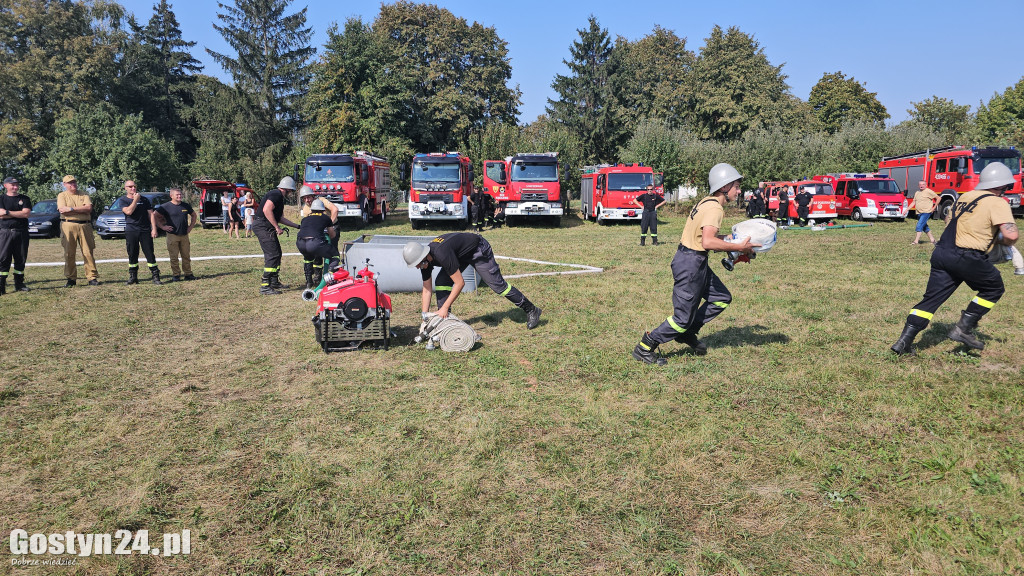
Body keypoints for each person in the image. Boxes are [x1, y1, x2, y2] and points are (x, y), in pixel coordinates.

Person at [632, 163, 758, 365]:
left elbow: (705, 237)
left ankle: (687, 333)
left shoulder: (706, 202)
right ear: (724, 187)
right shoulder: (715, 208)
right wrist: (737, 248)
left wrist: (738, 244)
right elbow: (708, 241)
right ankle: (646, 345)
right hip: (690, 264)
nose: (739, 190)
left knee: (720, 298)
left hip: (693, 259)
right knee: (682, 317)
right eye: (736, 185)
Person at [891, 163, 1019, 355]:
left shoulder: (965, 196)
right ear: (1001, 186)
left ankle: (903, 342)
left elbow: (948, 220)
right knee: (993, 288)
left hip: (942, 252)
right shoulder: (998, 202)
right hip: (967, 256)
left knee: (930, 300)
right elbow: (1011, 236)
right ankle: (963, 329)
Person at [402, 233, 542, 329]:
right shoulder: (423, 260)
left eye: (418, 264)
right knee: (441, 283)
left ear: (424, 256)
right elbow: (426, 289)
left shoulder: (441, 254)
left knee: (498, 286)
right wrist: (424, 317)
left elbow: (460, 283)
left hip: (477, 249)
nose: (418, 267)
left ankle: (532, 309)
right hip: (460, 254)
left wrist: (444, 307)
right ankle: (445, 321)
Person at [253, 176, 300, 295]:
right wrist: (276, 227)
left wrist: (297, 226)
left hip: (265, 226)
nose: (291, 194)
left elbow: (279, 218)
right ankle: (265, 286)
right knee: (272, 254)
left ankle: (274, 282)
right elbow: (266, 210)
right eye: (291, 191)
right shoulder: (276, 194)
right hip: (263, 226)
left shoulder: (278, 197)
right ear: (288, 189)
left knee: (277, 253)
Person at [56, 175, 98, 286]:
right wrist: (81, 210)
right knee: (69, 253)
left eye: (74, 182)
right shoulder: (62, 195)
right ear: (64, 184)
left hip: (85, 226)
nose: (73, 184)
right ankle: (71, 279)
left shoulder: (84, 194)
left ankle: (92, 277)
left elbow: (88, 209)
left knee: (88, 252)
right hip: (68, 225)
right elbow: (62, 211)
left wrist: (71, 209)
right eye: (69, 182)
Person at [296, 186, 340, 289]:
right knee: (327, 255)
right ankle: (322, 277)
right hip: (316, 237)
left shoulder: (321, 200)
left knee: (327, 252)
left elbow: (335, 209)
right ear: (302, 199)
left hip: (326, 229)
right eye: (304, 198)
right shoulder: (306, 208)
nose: (307, 200)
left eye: (309, 197)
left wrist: (329, 225)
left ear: (313, 196)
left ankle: (323, 279)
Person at [120, 180, 162, 285]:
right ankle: (133, 276)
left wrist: (154, 228)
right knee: (132, 253)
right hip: (131, 230)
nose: (133, 188)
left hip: (144, 230)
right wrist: (135, 200)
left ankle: (155, 276)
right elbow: (129, 211)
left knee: (149, 253)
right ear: (125, 188)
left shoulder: (144, 200)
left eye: (134, 186)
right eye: (130, 186)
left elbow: (151, 214)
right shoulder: (123, 200)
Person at [154, 187, 197, 282]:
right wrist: (162, 227)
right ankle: (176, 275)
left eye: (180, 194)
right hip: (172, 235)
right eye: (177, 195)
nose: (179, 196)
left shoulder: (185, 205)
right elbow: (154, 215)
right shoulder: (165, 206)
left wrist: (190, 227)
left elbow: (194, 215)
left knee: (186, 256)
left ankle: (188, 274)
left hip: (184, 235)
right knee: (174, 257)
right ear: (171, 196)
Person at [0, 176, 32, 294]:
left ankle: (19, 284)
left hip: (21, 232)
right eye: (12, 184)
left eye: (16, 184)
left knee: (20, 258)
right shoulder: (1, 198)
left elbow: (26, 214)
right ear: (5, 186)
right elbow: (0, 215)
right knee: (3, 258)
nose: (15, 186)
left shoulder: (24, 198)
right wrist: (18, 213)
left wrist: (7, 212)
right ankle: (1, 285)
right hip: (5, 232)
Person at [912, 180, 938, 245]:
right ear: (918, 185)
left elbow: (939, 198)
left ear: (926, 185)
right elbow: (913, 202)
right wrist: (906, 210)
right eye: (920, 184)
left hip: (926, 212)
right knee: (924, 227)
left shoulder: (929, 191)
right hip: (919, 212)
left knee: (919, 225)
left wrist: (934, 208)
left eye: (923, 184)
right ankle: (932, 240)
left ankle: (916, 241)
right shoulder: (917, 192)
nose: (921, 185)